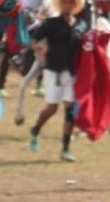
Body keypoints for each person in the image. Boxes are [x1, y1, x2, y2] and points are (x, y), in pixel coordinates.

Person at [26, 0, 84, 163]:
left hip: (72, 71)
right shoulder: (51, 23)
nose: (67, 6)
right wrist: (36, 47)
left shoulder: (80, 25)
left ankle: (65, 148)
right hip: (54, 70)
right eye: (65, 3)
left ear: (75, 6)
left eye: (71, 3)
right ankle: (35, 129)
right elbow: (33, 39)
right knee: (52, 108)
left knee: (70, 109)